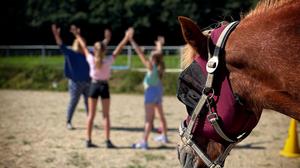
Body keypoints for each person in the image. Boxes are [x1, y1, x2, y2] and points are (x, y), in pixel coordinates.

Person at [70, 25, 133, 148]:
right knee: (106, 116)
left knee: (91, 116)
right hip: (104, 87)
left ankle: (88, 140)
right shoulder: (108, 60)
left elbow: (83, 45)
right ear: (104, 50)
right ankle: (107, 141)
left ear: (95, 49)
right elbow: (119, 48)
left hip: (93, 86)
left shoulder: (91, 59)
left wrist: (76, 34)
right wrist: (126, 37)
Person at [51, 24, 112, 130]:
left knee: (89, 104)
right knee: (73, 102)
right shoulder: (71, 53)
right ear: (77, 44)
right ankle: (68, 121)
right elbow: (61, 45)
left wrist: (106, 39)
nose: (84, 44)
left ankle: (90, 121)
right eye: (82, 42)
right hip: (75, 83)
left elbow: (99, 47)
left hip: (88, 82)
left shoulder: (89, 54)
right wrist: (56, 35)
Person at [128, 31, 168, 149]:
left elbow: (139, 53)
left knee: (148, 120)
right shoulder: (160, 65)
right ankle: (164, 136)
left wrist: (131, 40)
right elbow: (159, 54)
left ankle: (144, 142)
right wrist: (160, 44)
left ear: (153, 58)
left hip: (150, 94)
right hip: (157, 92)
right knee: (160, 116)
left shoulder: (151, 66)